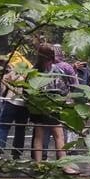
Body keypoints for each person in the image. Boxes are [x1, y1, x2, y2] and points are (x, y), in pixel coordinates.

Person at [30, 43, 78, 172]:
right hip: (48, 105)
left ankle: (41, 164)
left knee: (43, 135)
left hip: (43, 105)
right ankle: (60, 165)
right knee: (55, 135)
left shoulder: (35, 70)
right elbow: (64, 88)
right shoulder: (50, 70)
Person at [0, 49, 31, 156]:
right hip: (24, 104)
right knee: (20, 129)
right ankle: (17, 154)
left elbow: (7, 82)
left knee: (3, 126)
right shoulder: (29, 70)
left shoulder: (14, 70)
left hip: (12, 101)